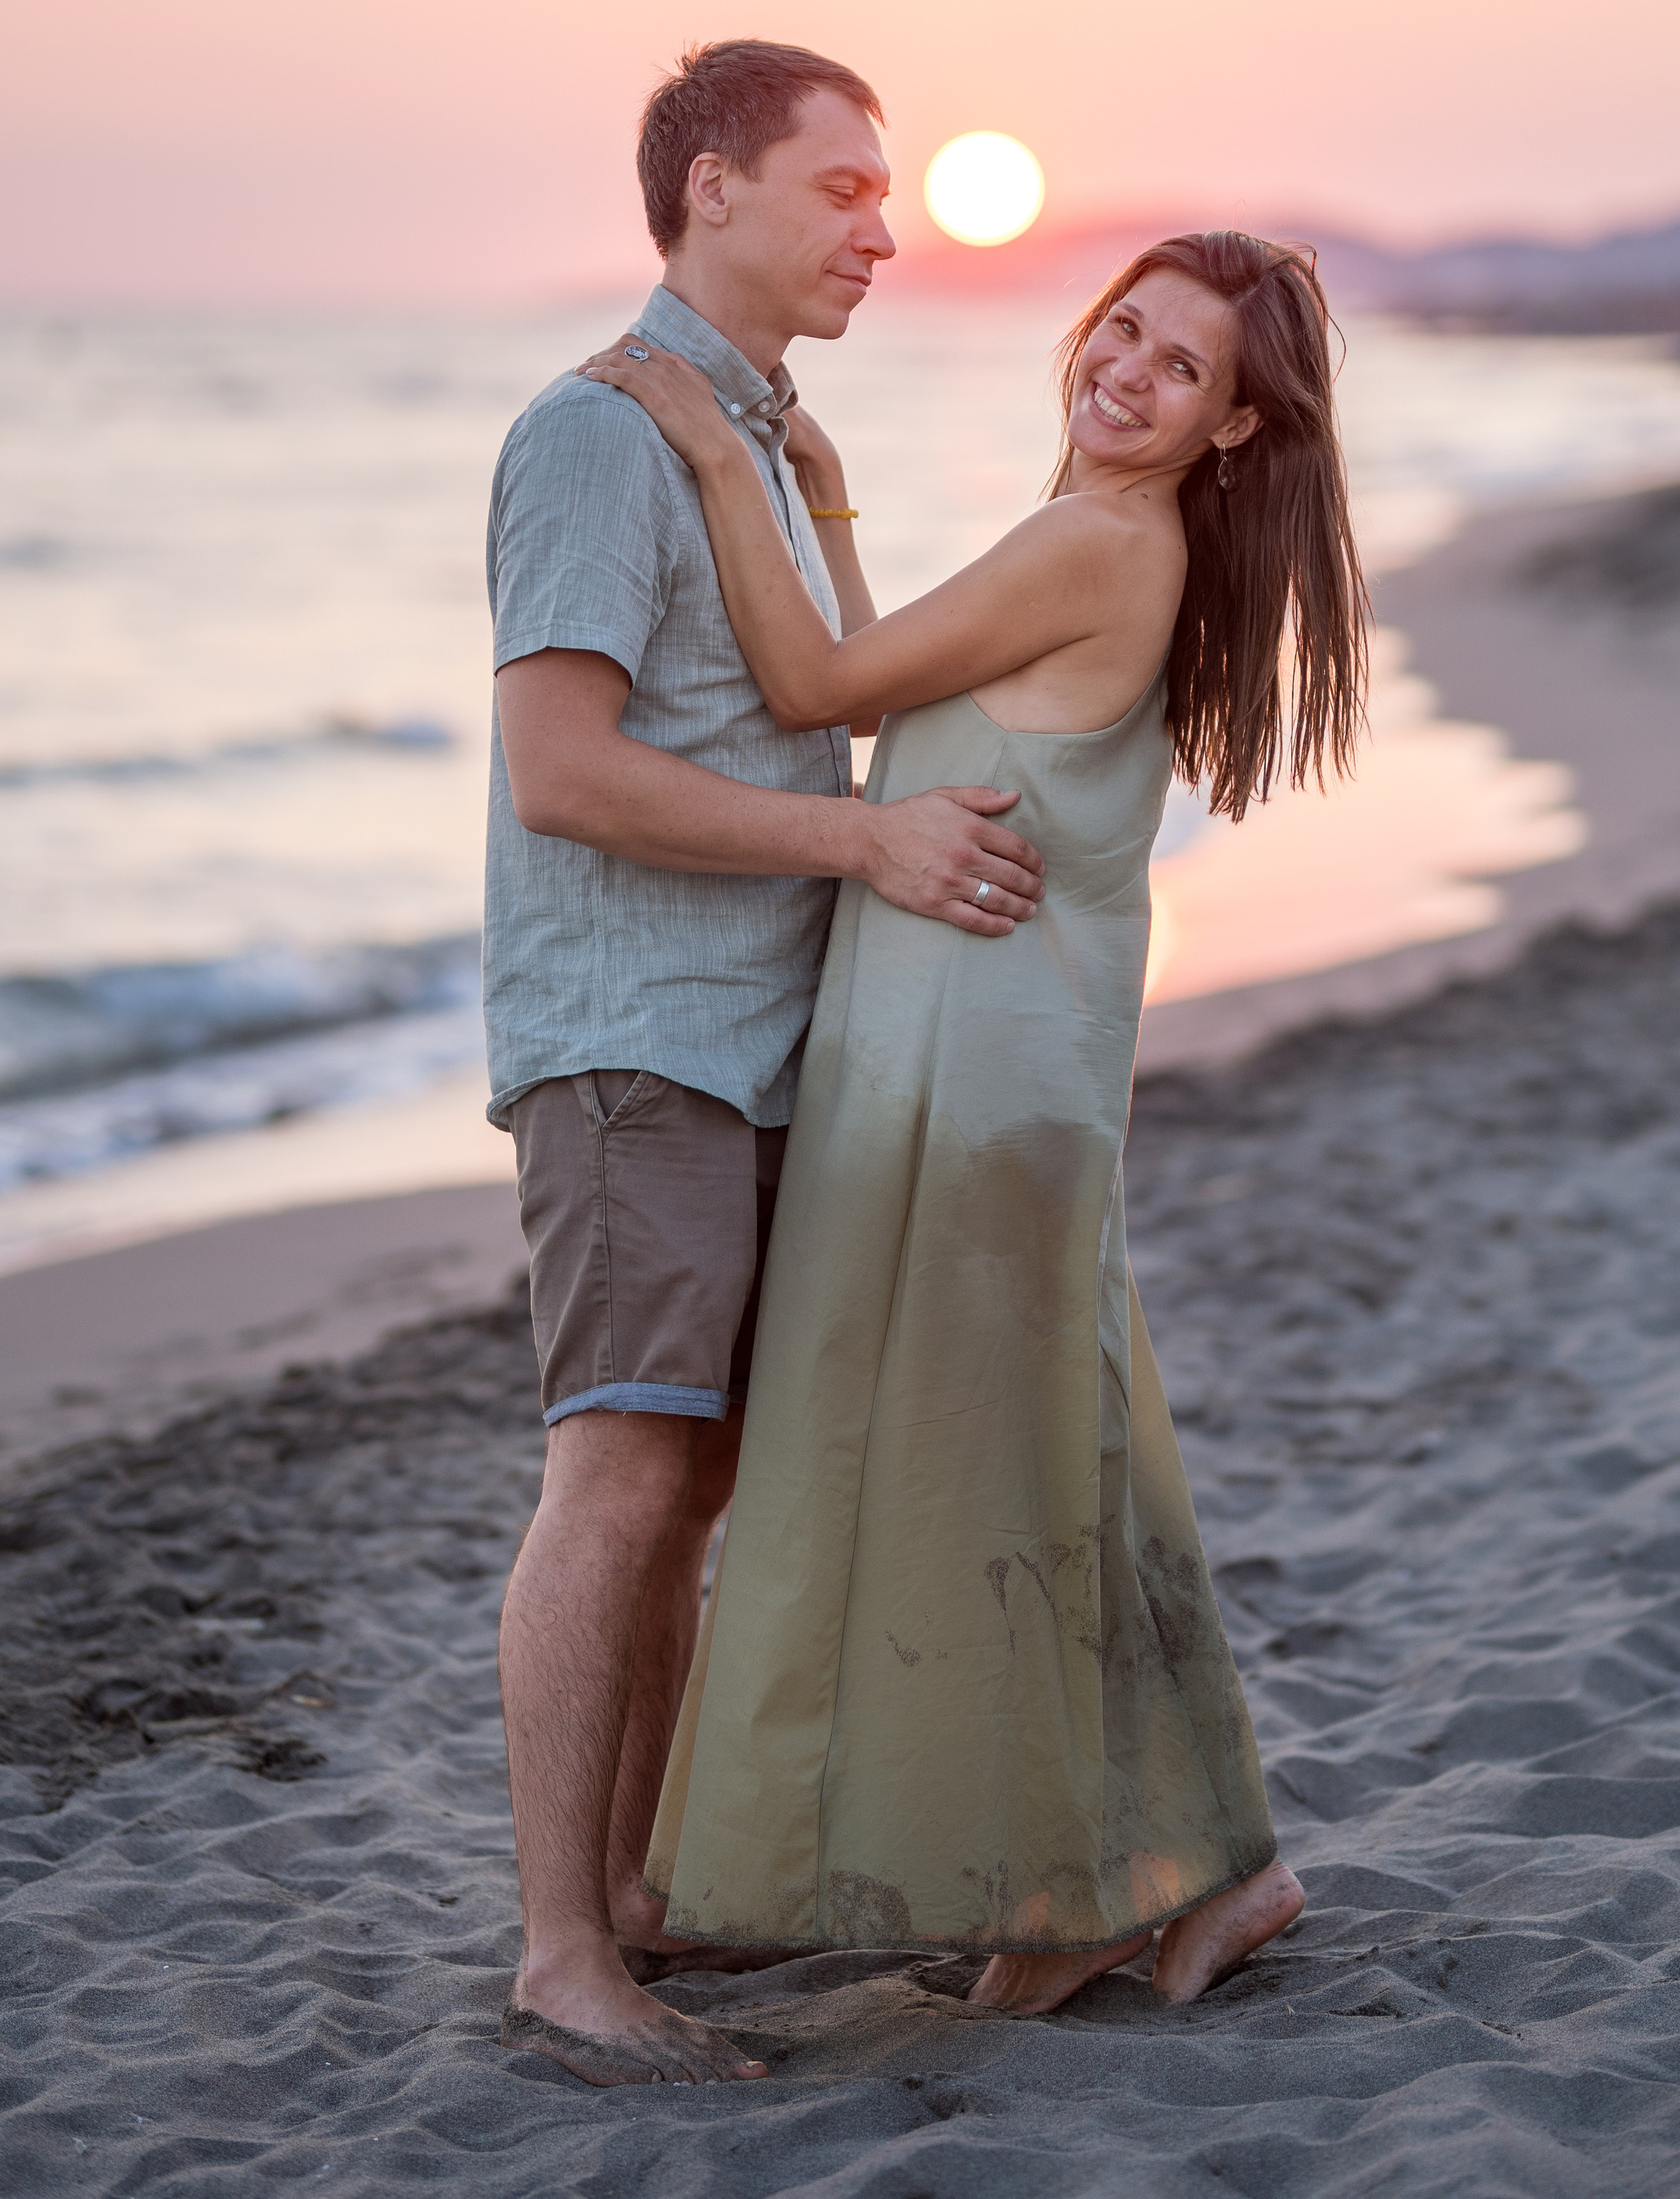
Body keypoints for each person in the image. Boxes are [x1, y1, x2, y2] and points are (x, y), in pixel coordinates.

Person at [583, 225, 1368, 2034]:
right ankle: (1210, 1870)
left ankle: (1124, 1882)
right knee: (1063, 1464)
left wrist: (716, 451)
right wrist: (829, 492)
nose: (1125, 368)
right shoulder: (1097, 536)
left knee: (995, 1483)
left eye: (1179, 368)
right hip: (995, 1067)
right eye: (1123, 327)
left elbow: (801, 697)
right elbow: (889, 699)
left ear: (1234, 426)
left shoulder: (1092, 540)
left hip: (971, 1079)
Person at [485, 38, 1049, 2091]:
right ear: (710, 187)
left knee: (698, 1482)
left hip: (764, 1039)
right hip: (635, 1038)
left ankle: (635, 1892)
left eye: (890, 195)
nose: (881, 230)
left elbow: (831, 707)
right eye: (839, 190)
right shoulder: (596, 438)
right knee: (621, 1472)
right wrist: (866, 842)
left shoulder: (766, 441)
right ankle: (565, 1950)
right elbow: (562, 774)